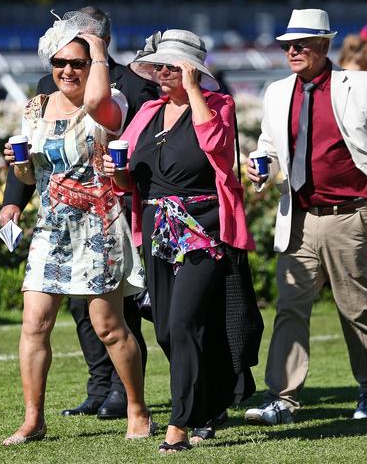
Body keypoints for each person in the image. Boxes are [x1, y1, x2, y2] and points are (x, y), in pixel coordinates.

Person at [243, 8, 367, 426]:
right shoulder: (276, 91)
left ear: (324, 45)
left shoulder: (360, 85)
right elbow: (269, 146)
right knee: (290, 308)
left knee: (356, 307)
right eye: (288, 45)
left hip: (349, 215)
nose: (293, 51)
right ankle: (282, 399)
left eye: (301, 44)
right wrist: (262, 166)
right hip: (299, 217)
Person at [103, 29, 261, 453]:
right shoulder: (148, 112)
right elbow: (128, 178)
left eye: (173, 65)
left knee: (185, 322)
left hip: (204, 225)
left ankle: (180, 425)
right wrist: (114, 172)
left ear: (192, 69)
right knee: (169, 331)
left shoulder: (218, 106)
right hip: (157, 225)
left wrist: (194, 91)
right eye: (160, 65)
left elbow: (217, 147)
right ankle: (207, 403)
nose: (162, 72)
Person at [0, 7, 158, 420]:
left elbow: (96, 99)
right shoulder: (35, 107)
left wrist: (98, 49)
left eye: (77, 63)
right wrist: (15, 176)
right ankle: (33, 419)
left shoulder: (109, 101)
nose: (67, 70)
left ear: (93, 63)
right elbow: (33, 170)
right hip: (50, 229)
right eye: (60, 62)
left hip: (97, 226)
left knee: (108, 327)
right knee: (34, 325)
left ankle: (137, 409)